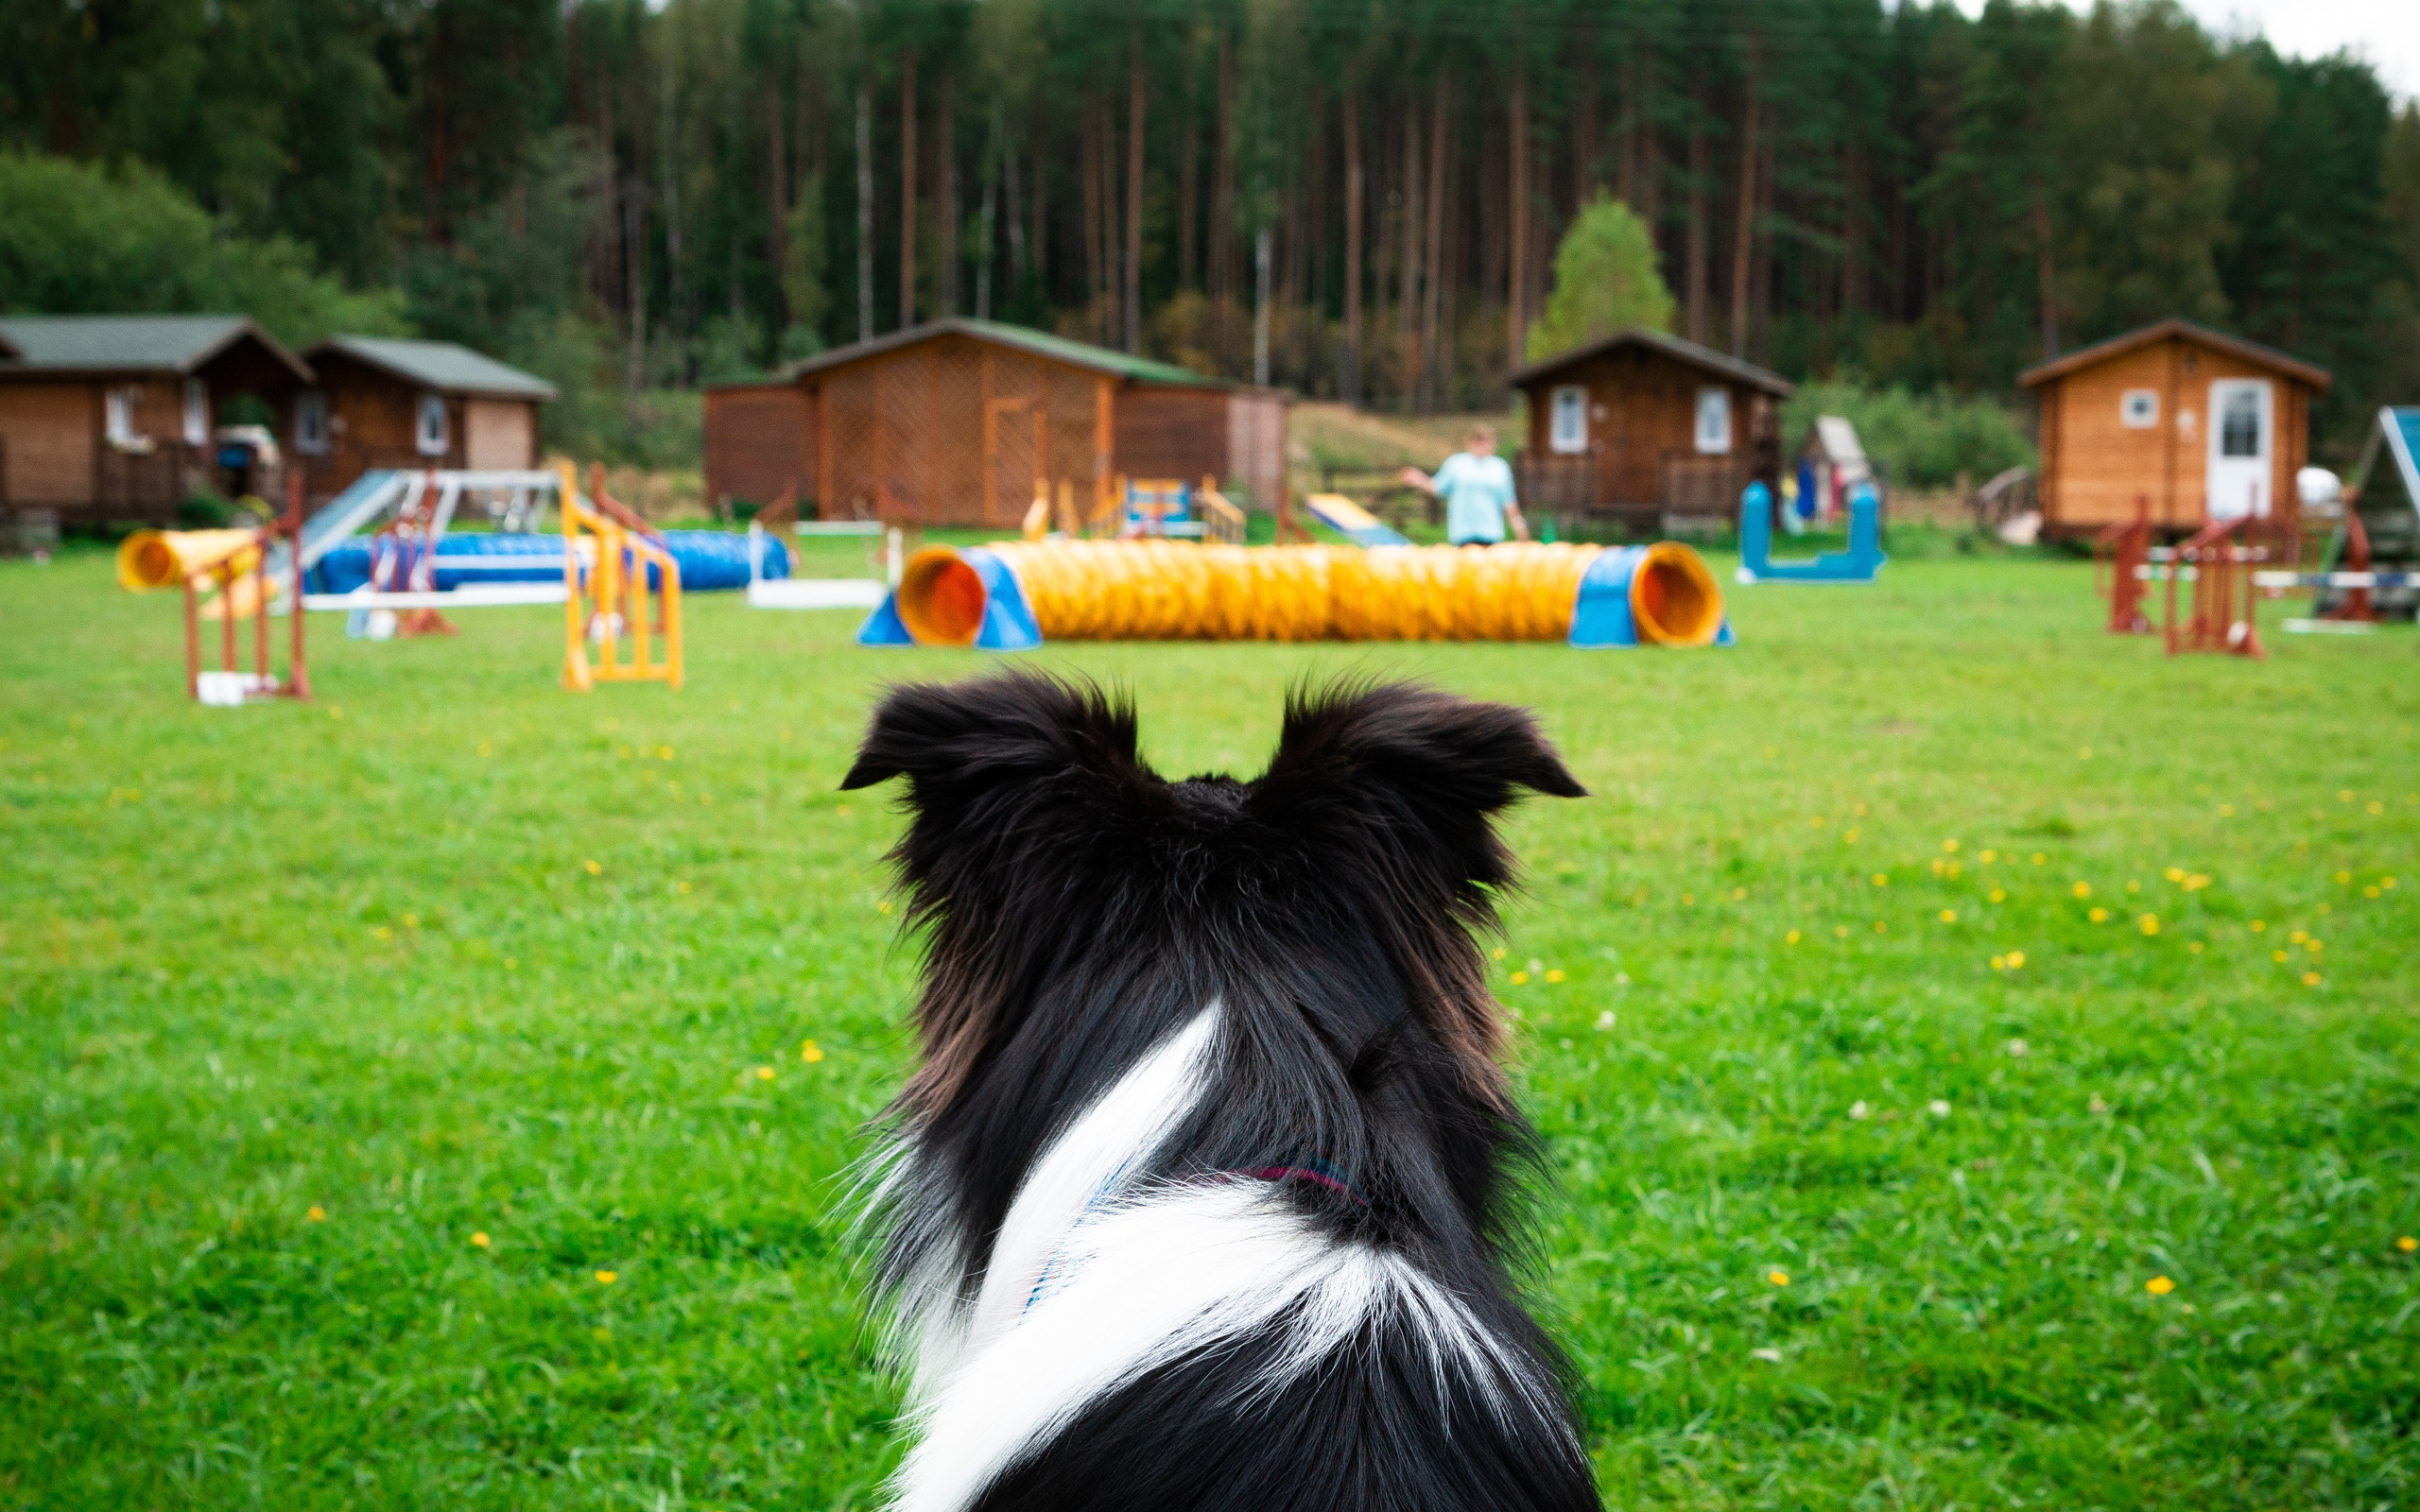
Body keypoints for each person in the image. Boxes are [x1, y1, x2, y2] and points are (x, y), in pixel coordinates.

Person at [1400, 425, 1529, 545]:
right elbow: (1437, 487)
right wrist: (1419, 478)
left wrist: (1520, 528)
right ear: (1470, 442)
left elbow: (1509, 502)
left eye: (1485, 441)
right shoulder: (1457, 464)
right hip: (1462, 534)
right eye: (1478, 440)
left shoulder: (1499, 467)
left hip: (1491, 533)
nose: (1481, 445)